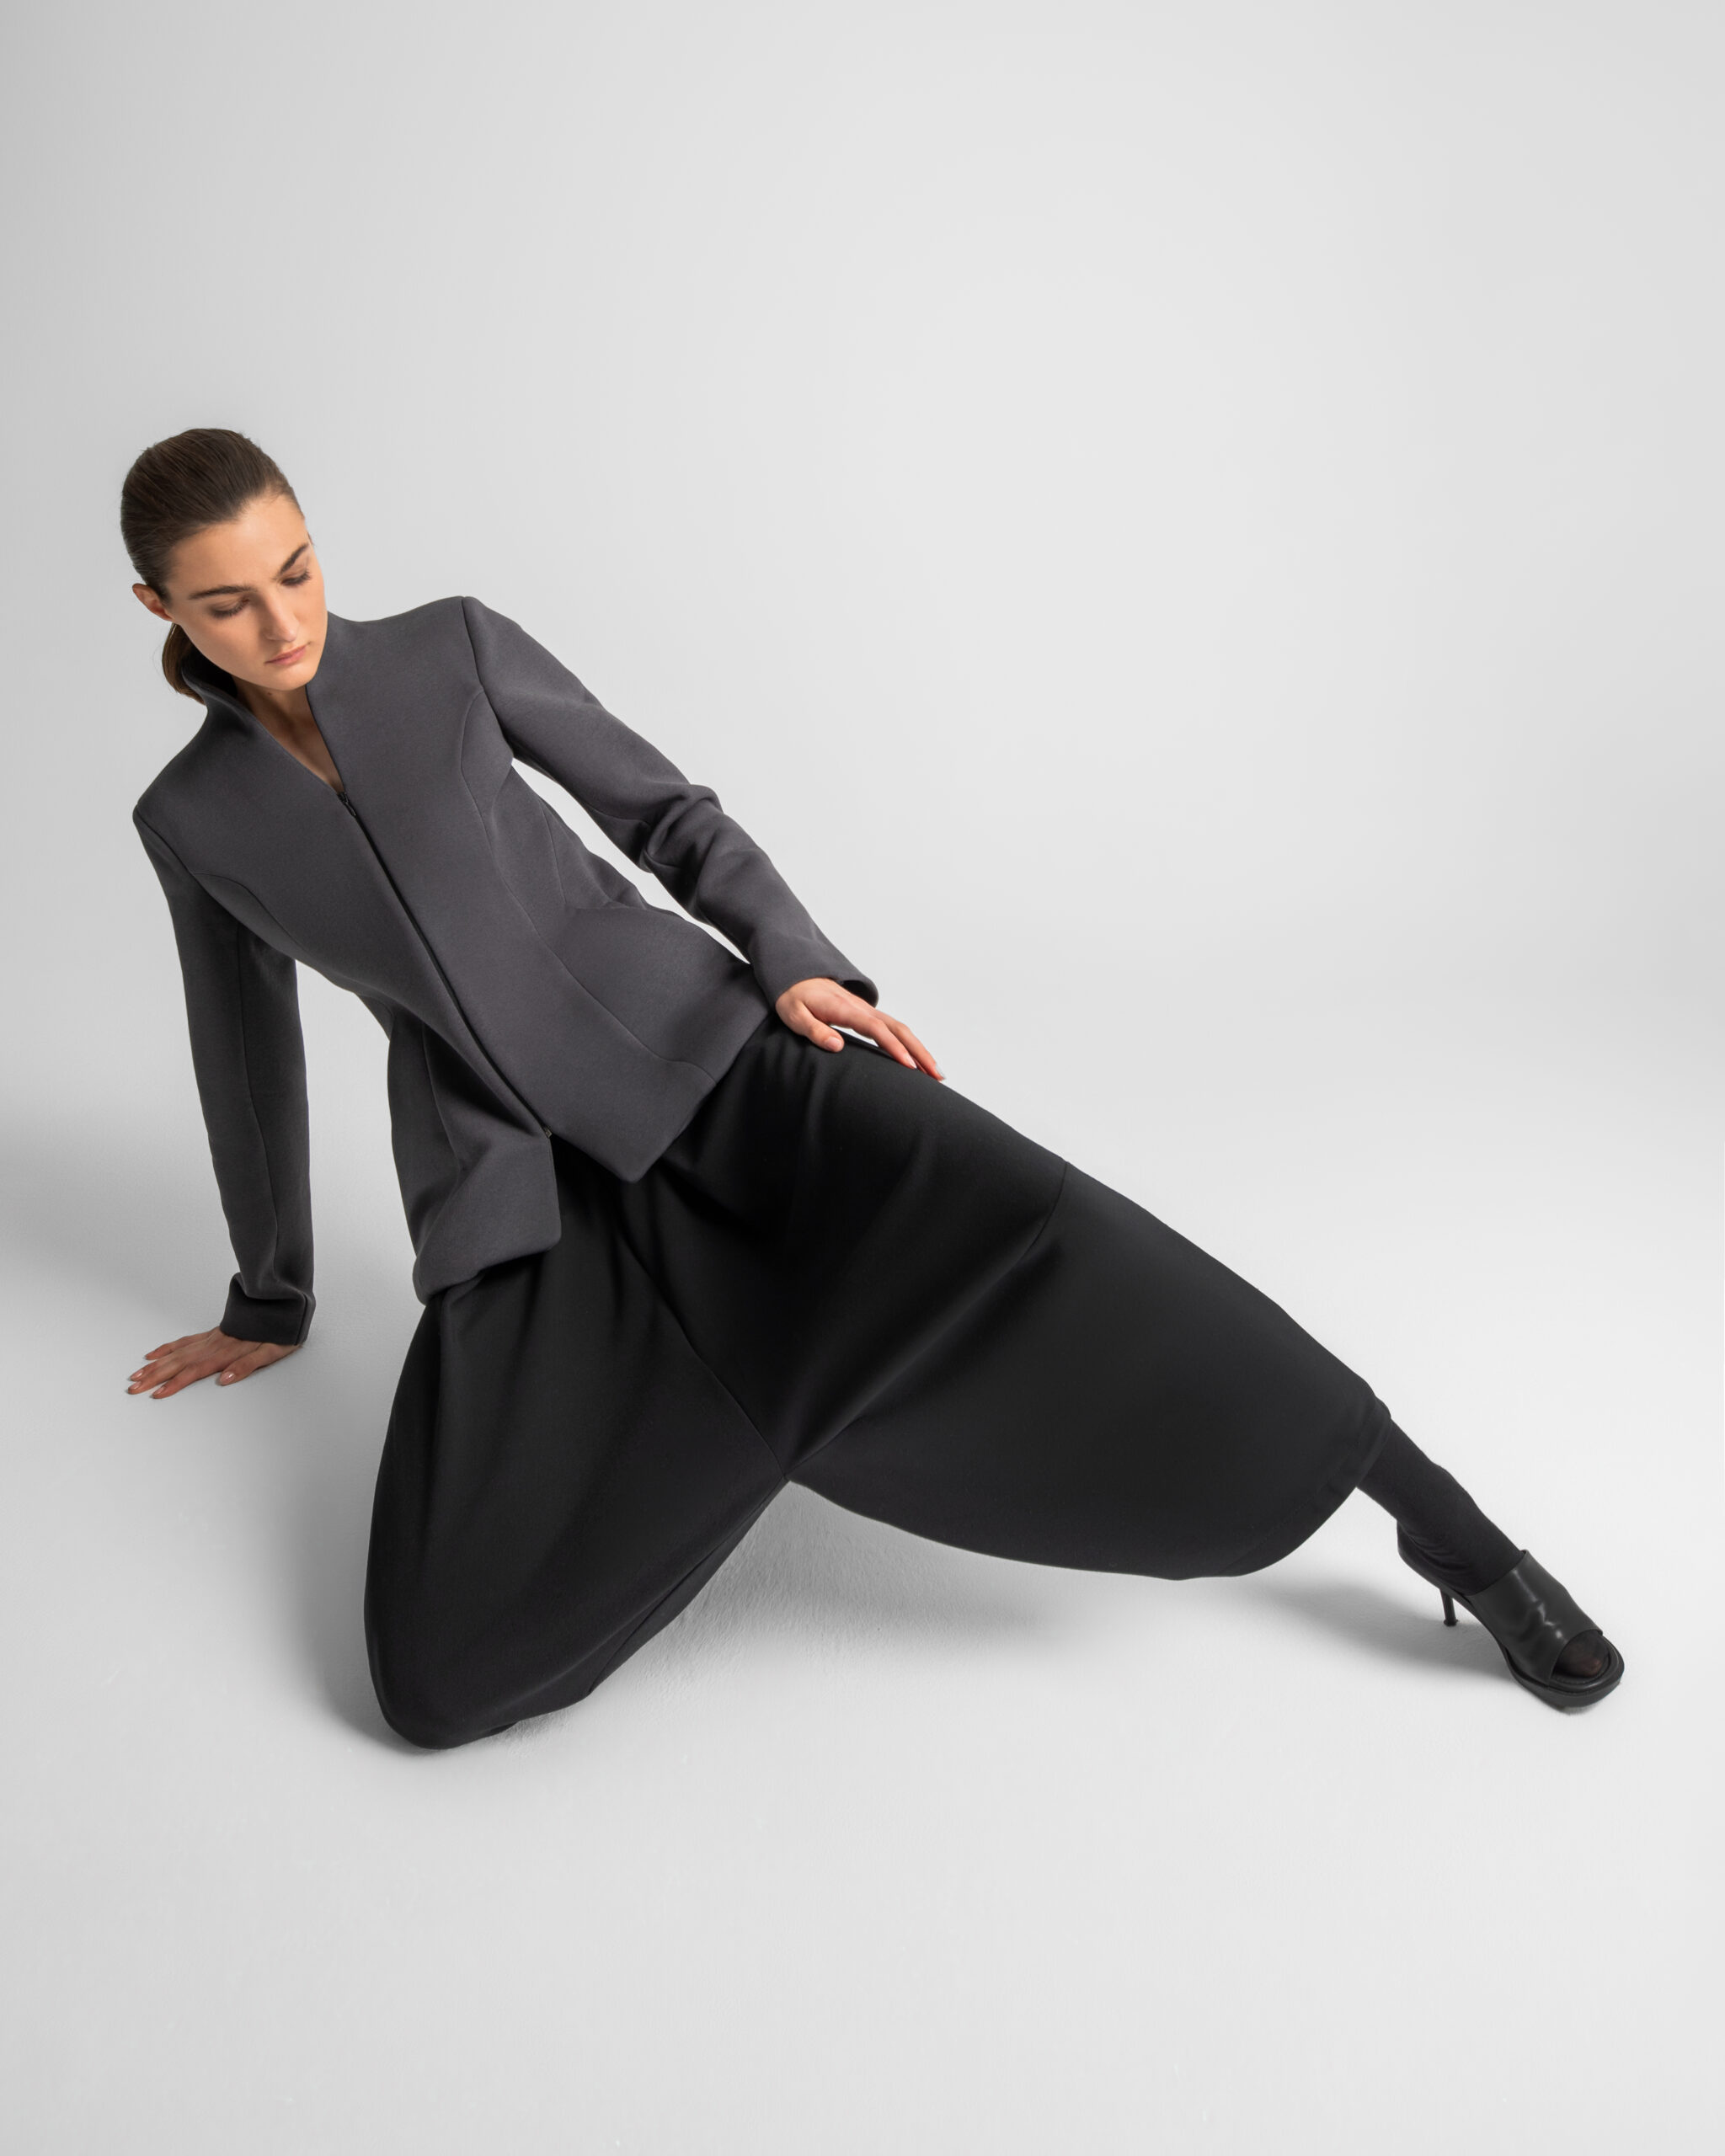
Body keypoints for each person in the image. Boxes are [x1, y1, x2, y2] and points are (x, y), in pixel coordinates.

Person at [119, 427, 1623, 1748]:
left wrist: (793, 960)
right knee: (437, 1680)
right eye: (228, 602)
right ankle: (753, 1420)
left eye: (297, 571)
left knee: (1076, 1242)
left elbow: (663, 812)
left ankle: (1457, 1535)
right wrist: (272, 1297)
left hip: (723, 1073)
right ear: (160, 610)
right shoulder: (195, 817)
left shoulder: (448, 648)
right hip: (528, 1204)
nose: (283, 621)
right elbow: (239, 1052)